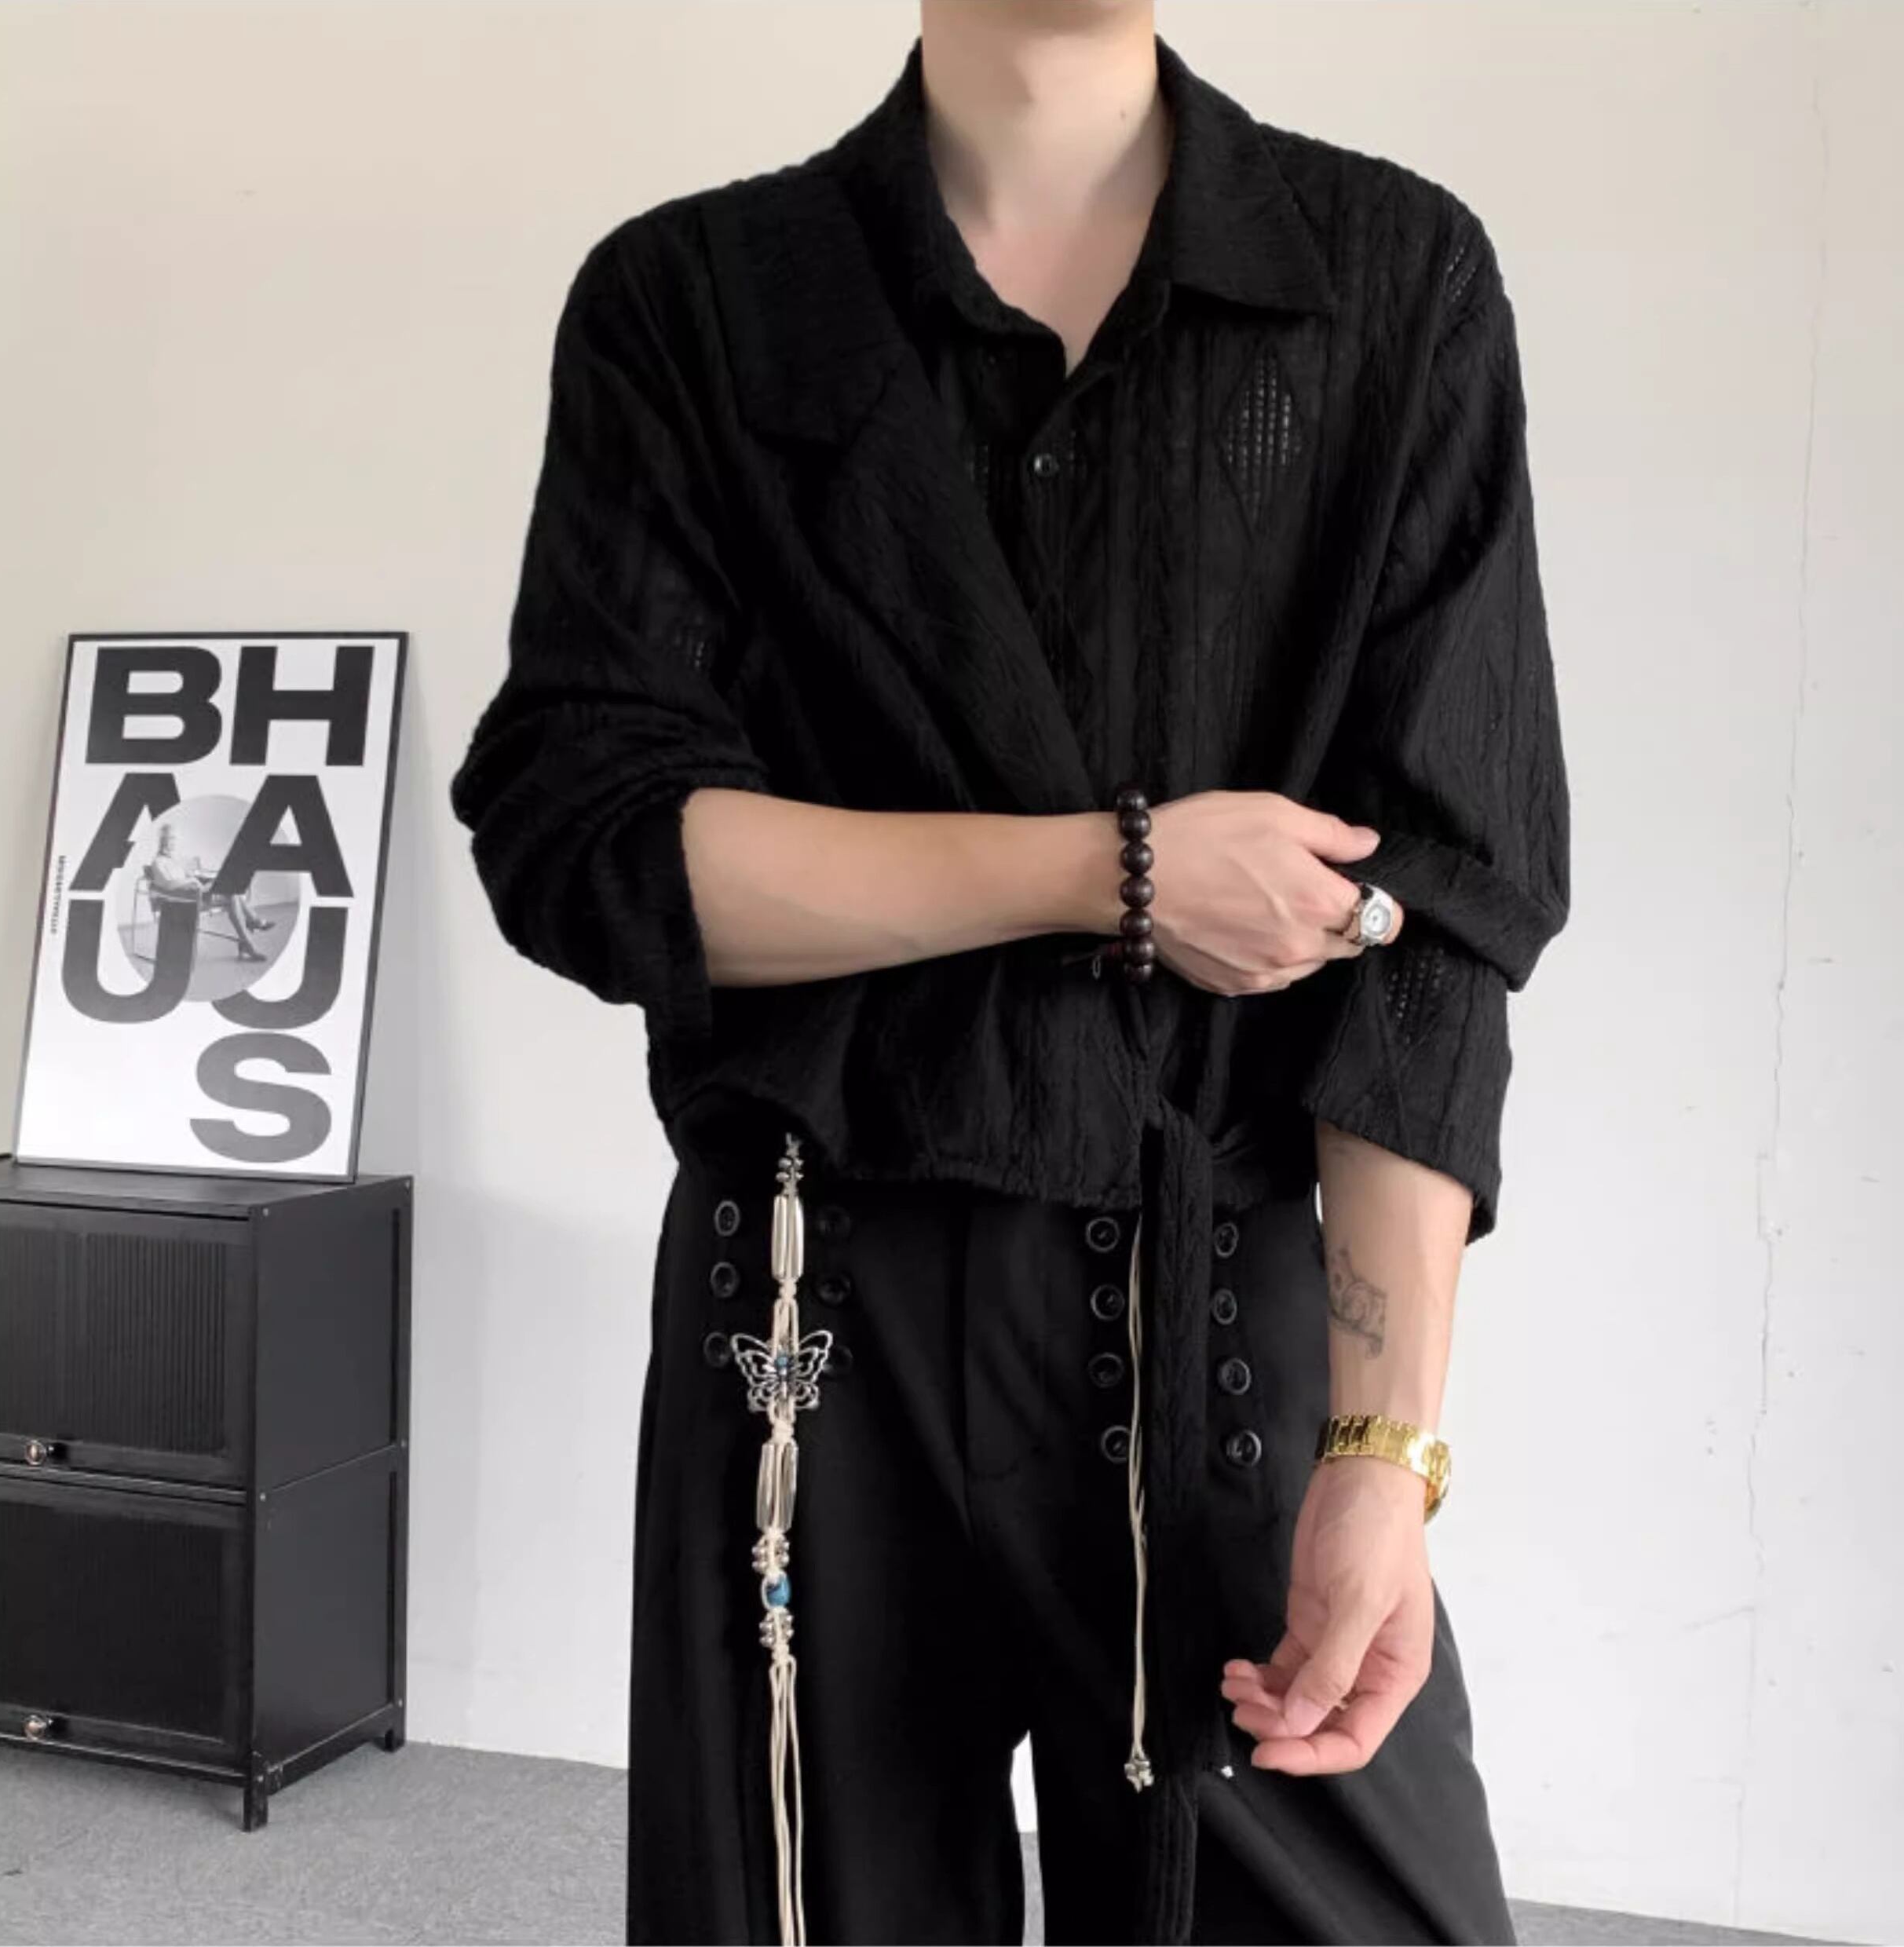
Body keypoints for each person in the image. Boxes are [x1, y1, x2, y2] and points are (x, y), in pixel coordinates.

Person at [451, 5, 1570, 1943]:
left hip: (1222, 1301)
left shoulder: (1386, 284)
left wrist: (1385, 1452)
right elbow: (591, 844)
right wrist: (1114, 874)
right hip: (805, 1317)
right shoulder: (698, 301)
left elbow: (1437, 915)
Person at [148, 822, 276, 963]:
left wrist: (198, 879)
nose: (174, 842)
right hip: (184, 902)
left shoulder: (173, 860)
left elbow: (184, 878)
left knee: (232, 891)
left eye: (174, 838)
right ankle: (252, 929)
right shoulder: (158, 863)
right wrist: (192, 882)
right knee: (233, 896)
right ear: (163, 840)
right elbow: (168, 885)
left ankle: (251, 934)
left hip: (195, 895)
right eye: (171, 838)